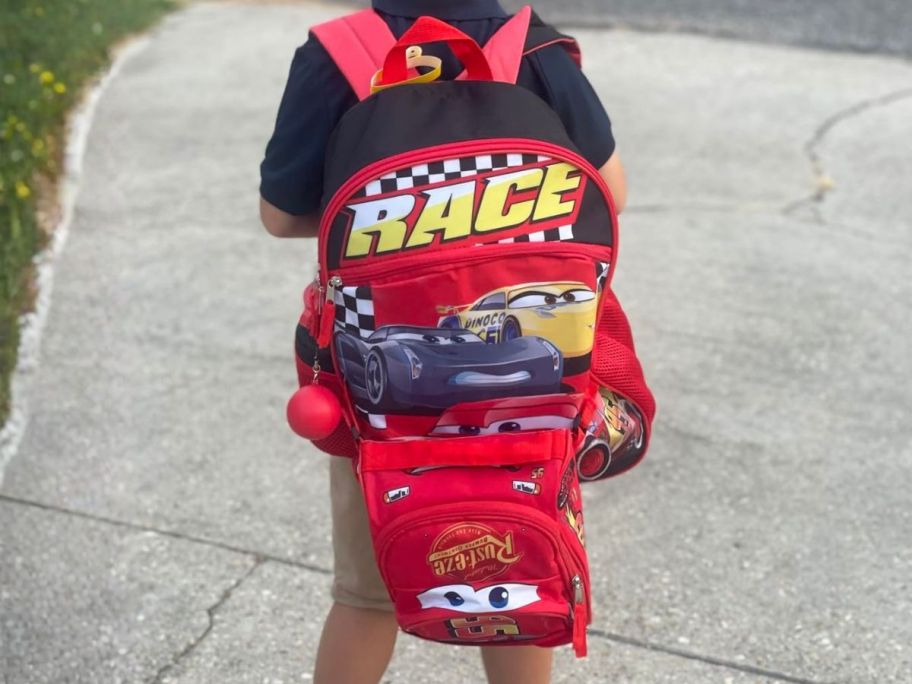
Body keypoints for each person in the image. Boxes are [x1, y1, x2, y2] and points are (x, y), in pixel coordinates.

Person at [259, 2, 627, 682]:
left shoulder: (335, 55)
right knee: (521, 572)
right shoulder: (535, 53)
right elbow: (613, 193)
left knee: (365, 600)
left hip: (380, 395)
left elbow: (281, 216)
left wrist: (397, 221)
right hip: (533, 394)